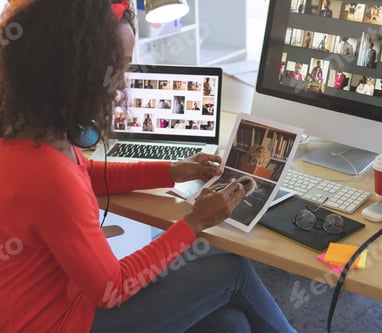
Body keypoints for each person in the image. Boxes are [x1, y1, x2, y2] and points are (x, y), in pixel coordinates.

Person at [0, 1, 297, 333]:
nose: (124, 84)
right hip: (68, 322)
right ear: (77, 72)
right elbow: (113, 288)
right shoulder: (50, 177)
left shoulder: (28, 133)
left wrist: (169, 171)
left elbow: (88, 174)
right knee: (232, 270)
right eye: (119, 67)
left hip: (42, 308)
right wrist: (196, 221)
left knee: (230, 324)